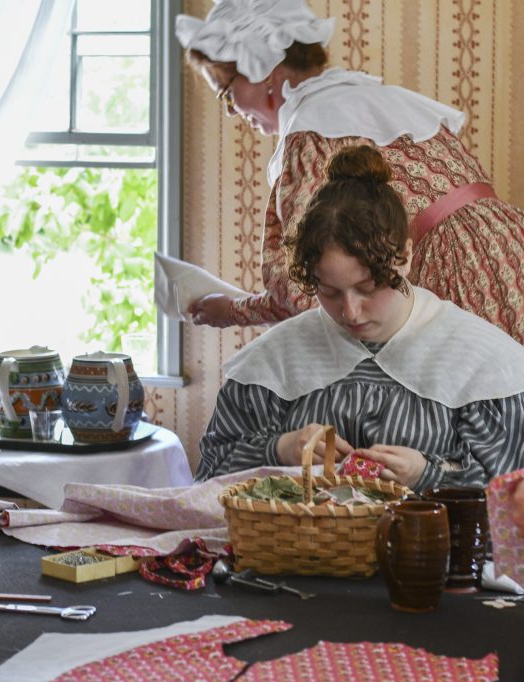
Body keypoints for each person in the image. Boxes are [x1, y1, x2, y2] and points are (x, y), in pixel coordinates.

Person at [175, 0, 524, 344]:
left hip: (456, 273)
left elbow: (303, 292)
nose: (231, 112)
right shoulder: (375, 98)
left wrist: (233, 311)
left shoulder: (310, 133)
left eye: (226, 93)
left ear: (262, 68)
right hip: (508, 244)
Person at [197, 144, 524, 490]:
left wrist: (429, 474)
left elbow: (512, 499)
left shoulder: (486, 363)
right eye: (329, 292)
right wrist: (278, 448)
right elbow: (207, 479)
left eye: (368, 288)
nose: (350, 312)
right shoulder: (271, 363)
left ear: (406, 258)